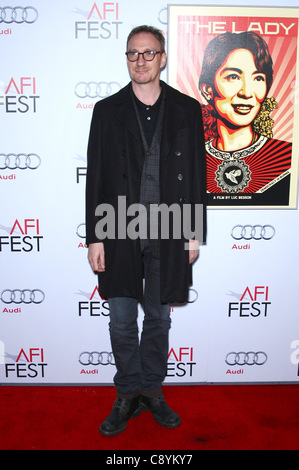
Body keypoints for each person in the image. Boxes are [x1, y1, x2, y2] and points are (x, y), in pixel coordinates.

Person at [86, 25, 206, 436]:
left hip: (170, 228)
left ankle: (152, 390)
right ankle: (127, 393)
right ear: (127, 59)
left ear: (163, 57)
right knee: (121, 320)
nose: (141, 61)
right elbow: (97, 177)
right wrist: (95, 236)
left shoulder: (189, 110)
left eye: (149, 53)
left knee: (158, 319)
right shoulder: (106, 110)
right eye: (133, 54)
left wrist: (194, 231)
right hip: (118, 226)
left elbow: (195, 176)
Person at [199, 32, 292, 202]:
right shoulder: (192, 159)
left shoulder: (288, 157)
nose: (247, 93)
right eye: (233, 77)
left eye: (257, 78)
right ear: (207, 89)